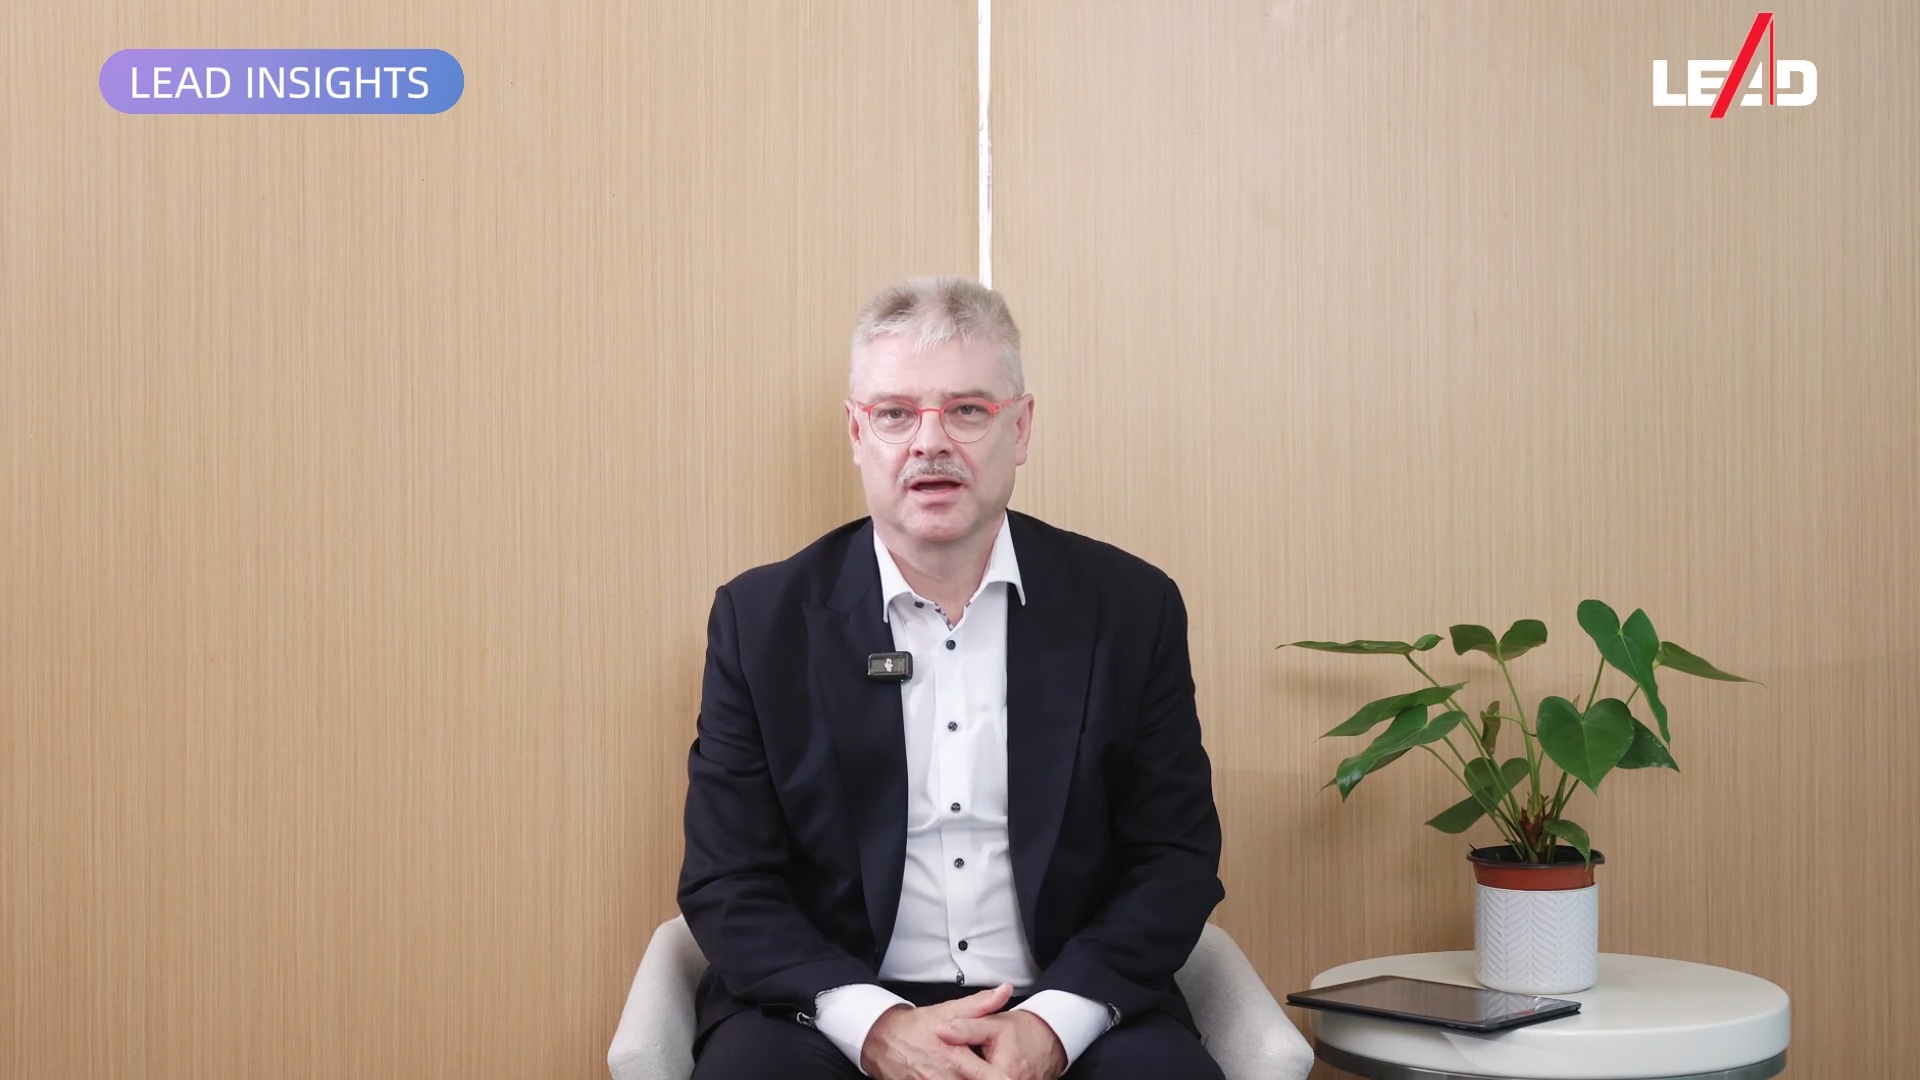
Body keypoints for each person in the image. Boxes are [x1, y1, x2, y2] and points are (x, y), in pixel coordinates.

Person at [678, 277, 1225, 1080]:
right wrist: (876, 1025)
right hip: (829, 1006)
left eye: (967, 410)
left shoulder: (1130, 609)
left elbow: (1173, 858)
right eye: (895, 413)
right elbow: (728, 878)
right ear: (857, 432)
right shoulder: (762, 621)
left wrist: (1052, 1024)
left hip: (1065, 994)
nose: (929, 443)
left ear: (1020, 427)